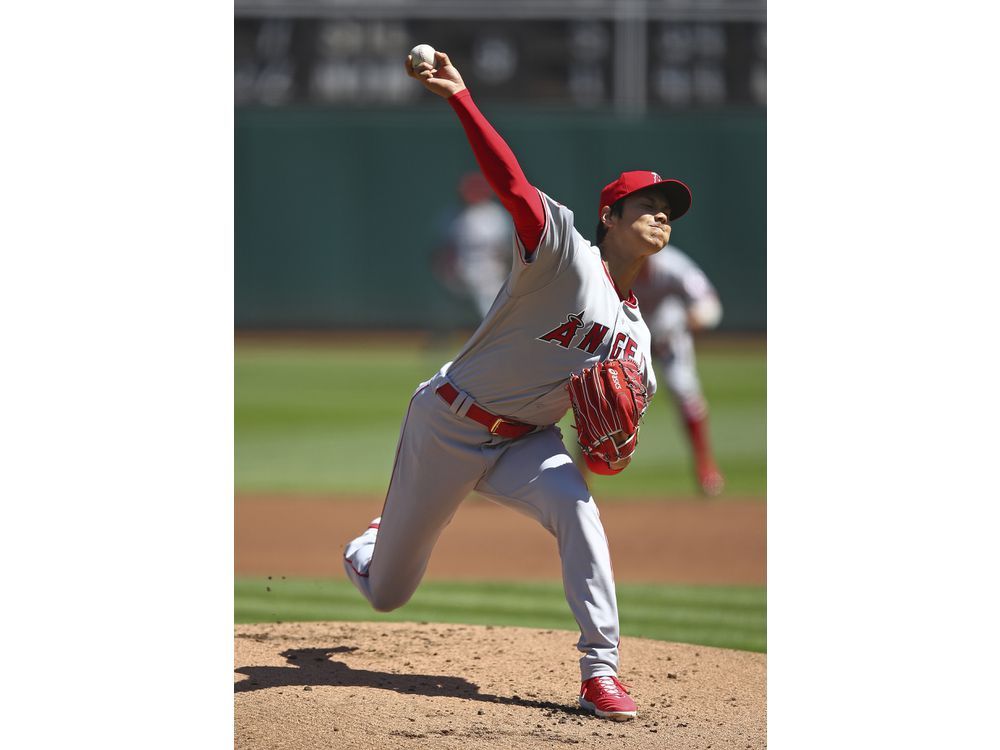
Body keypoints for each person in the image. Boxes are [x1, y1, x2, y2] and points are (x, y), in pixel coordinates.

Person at [342, 49, 696, 722]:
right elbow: (509, 182)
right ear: (610, 218)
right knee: (387, 593)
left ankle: (600, 672)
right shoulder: (564, 257)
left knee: (579, 509)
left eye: (667, 211)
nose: (660, 217)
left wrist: (609, 450)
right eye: (645, 206)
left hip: (527, 443)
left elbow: (606, 458)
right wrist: (461, 97)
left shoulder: (638, 342)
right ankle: (371, 542)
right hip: (448, 424)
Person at [631, 246, 726, 496]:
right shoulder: (615, 263)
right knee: (604, 397)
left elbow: (709, 305)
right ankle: (583, 472)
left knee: (683, 389)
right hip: (629, 336)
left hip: (667, 337)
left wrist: (692, 318)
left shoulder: (673, 266)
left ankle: (706, 466)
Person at [432, 171, 513, 319]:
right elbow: (442, 251)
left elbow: (506, 250)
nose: (470, 194)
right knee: (445, 318)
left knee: (491, 315)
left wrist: (502, 270)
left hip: (489, 276)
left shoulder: (496, 215)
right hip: (458, 277)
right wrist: (445, 273)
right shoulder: (451, 215)